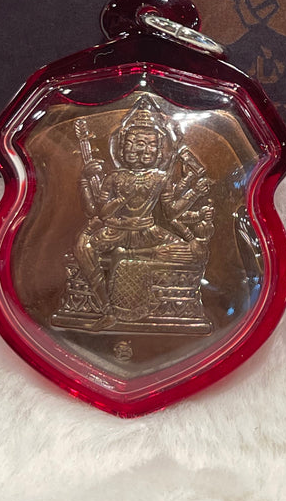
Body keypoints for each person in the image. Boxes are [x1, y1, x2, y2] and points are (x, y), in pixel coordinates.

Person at [73, 95, 212, 329]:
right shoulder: (114, 177)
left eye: (150, 145)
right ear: (122, 147)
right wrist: (86, 181)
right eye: (135, 143)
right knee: (83, 247)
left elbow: (170, 213)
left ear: (159, 149)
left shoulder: (160, 178)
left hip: (150, 233)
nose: (143, 150)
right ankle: (107, 308)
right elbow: (97, 212)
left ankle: (135, 257)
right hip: (116, 231)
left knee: (197, 252)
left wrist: (194, 193)